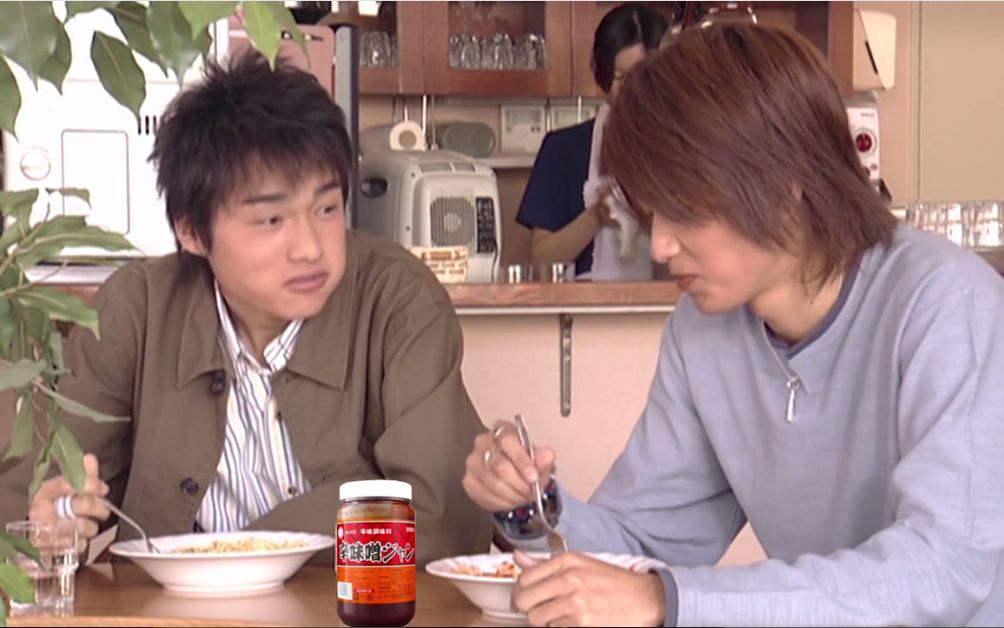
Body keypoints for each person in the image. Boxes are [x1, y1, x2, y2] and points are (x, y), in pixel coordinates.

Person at [463, 22, 1004, 627]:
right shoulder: (704, 330)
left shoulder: (947, 304)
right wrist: (532, 507)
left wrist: (669, 601)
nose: (660, 245)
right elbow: (640, 543)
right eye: (652, 211)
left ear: (786, 186)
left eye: (685, 209)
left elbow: (944, 565)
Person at [0, 52, 491, 566]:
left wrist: (255, 552)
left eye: (327, 209)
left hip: (346, 607)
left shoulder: (398, 302)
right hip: (170, 609)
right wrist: (52, 525)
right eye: (272, 220)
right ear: (192, 231)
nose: (311, 248)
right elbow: (32, 500)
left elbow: (441, 521)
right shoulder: (136, 311)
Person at [516, 3, 668, 281]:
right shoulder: (563, 149)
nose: (633, 89)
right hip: (583, 306)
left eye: (644, 76)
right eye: (621, 78)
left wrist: (649, 219)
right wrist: (596, 216)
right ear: (602, 73)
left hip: (668, 305)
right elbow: (541, 262)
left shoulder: (685, 149)